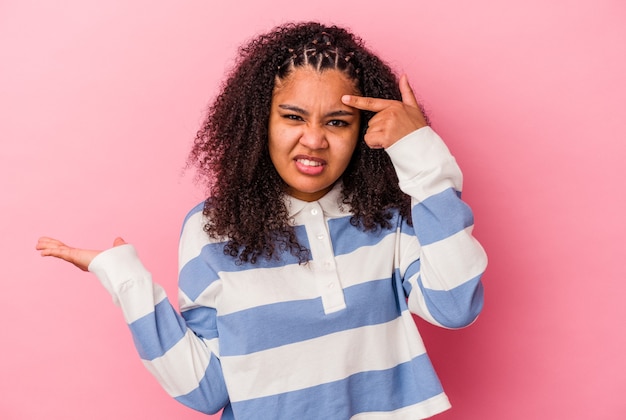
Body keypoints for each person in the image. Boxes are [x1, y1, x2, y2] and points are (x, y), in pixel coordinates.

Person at [37, 22, 487, 419]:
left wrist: (423, 158)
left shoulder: (389, 217)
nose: (313, 140)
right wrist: (127, 281)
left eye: (337, 122)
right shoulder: (212, 230)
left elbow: (455, 307)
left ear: (363, 129)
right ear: (259, 122)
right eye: (293, 117)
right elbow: (207, 391)